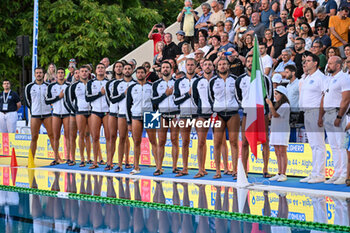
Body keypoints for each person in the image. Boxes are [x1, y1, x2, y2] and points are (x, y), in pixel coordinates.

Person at [236, 55, 273, 177]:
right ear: (245, 63)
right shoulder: (240, 80)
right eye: (248, 61)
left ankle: (265, 169)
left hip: (262, 113)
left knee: (264, 141)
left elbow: (269, 96)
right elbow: (239, 97)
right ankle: (244, 171)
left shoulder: (265, 79)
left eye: (253, 61)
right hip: (248, 113)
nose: (250, 63)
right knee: (245, 142)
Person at [319, 56, 350, 184]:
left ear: (338, 65)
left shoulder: (344, 78)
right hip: (328, 113)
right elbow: (324, 97)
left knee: (341, 145)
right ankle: (336, 173)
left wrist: (339, 116)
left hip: (338, 113)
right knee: (333, 145)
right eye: (328, 63)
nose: (328, 65)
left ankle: (344, 174)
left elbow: (346, 99)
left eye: (331, 63)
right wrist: (321, 116)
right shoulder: (328, 79)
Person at [209, 58, 240, 179]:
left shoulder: (235, 80)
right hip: (218, 114)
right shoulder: (212, 81)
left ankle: (235, 170)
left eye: (225, 64)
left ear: (229, 66)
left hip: (233, 113)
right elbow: (210, 98)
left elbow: (239, 95)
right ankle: (218, 171)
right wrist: (215, 109)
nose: (222, 66)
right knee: (217, 143)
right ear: (217, 67)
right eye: (220, 64)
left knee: (233, 142)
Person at [299, 54, 328, 183]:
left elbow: (324, 96)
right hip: (307, 112)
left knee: (319, 144)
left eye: (309, 61)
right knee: (313, 144)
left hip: (316, 111)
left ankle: (320, 174)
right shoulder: (306, 77)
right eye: (305, 61)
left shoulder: (320, 77)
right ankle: (314, 172)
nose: (306, 63)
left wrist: (321, 115)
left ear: (315, 63)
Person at [126, 66, 158, 175]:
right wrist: (129, 122)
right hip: (135, 116)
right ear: (136, 75)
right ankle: (136, 166)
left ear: (146, 74)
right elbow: (128, 105)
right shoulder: (132, 88)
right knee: (136, 142)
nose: (140, 74)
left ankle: (158, 167)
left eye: (142, 72)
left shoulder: (152, 86)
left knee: (153, 141)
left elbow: (156, 102)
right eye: (138, 72)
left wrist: (155, 115)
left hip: (150, 115)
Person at [152, 61, 180, 175]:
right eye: (163, 67)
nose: (165, 69)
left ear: (171, 69)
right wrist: (165, 94)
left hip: (174, 113)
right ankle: (159, 167)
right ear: (160, 70)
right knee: (161, 141)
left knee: (174, 140)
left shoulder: (177, 82)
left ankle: (174, 166)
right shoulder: (156, 84)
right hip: (162, 114)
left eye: (167, 67)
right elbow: (153, 101)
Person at [174, 58, 199, 177]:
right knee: (185, 141)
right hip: (184, 114)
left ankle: (201, 169)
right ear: (185, 67)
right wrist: (187, 94)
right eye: (188, 65)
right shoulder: (179, 82)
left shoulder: (200, 80)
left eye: (192, 65)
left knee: (201, 142)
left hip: (198, 114)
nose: (190, 67)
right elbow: (175, 100)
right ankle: (185, 168)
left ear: (195, 66)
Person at [110, 63, 136, 172]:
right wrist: (124, 94)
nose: (127, 70)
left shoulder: (136, 83)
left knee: (136, 140)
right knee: (122, 138)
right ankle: (120, 164)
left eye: (129, 69)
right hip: (121, 114)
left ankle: (136, 164)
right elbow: (113, 99)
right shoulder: (117, 84)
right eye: (125, 69)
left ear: (132, 70)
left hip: (135, 115)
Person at [25, 67, 55, 162]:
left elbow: (52, 99)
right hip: (35, 115)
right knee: (34, 137)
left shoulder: (48, 86)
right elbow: (27, 101)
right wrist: (34, 110)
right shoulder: (29, 87)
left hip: (47, 114)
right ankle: (31, 160)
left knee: (51, 135)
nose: (38, 74)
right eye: (37, 73)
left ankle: (57, 158)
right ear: (34, 75)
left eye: (40, 73)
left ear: (43, 74)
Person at [191, 59, 214, 178]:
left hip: (216, 114)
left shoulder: (217, 80)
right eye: (205, 64)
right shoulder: (197, 82)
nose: (208, 66)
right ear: (202, 67)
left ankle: (224, 169)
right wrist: (200, 109)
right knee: (201, 142)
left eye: (210, 64)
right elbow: (194, 98)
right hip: (202, 114)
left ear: (213, 66)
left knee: (219, 142)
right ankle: (201, 169)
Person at [85, 63, 110, 169]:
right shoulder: (90, 83)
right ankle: (95, 161)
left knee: (109, 137)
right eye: (98, 68)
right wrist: (100, 94)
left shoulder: (109, 83)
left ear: (105, 70)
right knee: (95, 137)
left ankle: (109, 161)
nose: (100, 69)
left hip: (107, 112)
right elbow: (88, 98)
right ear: (95, 71)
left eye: (102, 68)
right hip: (95, 112)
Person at [45, 68, 70, 165]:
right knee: (56, 136)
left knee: (68, 136)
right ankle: (56, 158)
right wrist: (58, 97)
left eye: (62, 73)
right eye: (59, 73)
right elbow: (47, 100)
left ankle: (68, 158)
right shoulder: (51, 86)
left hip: (67, 114)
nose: (60, 74)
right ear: (56, 75)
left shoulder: (68, 85)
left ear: (64, 74)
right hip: (56, 114)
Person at [266, 86, 290, 182]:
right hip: (275, 130)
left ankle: (283, 173)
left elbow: (276, 115)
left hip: (282, 131)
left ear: (282, 95)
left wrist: (270, 105)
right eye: (275, 94)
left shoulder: (285, 105)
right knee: (277, 151)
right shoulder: (277, 105)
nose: (275, 96)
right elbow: (272, 116)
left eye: (276, 94)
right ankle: (279, 172)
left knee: (282, 151)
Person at [68, 66, 91, 167]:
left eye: (86, 71)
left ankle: (89, 158)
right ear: (79, 73)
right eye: (82, 71)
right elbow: (68, 100)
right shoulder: (74, 86)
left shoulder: (92, 84)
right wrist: (75, 111)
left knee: (88, 135)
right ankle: (82, 158)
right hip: (79, 112)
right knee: (81, 134)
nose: (84, 73)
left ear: (89, 72)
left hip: (90, 112)